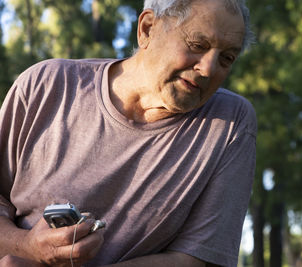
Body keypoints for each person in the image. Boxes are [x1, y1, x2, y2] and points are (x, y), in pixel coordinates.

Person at [0, 0, 256, 266]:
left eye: (227, 58)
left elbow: (198, 259)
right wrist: (27, 247)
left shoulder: (230, 124)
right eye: (197, 45)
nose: (209, 69)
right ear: (147, 29)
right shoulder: (47, 86)